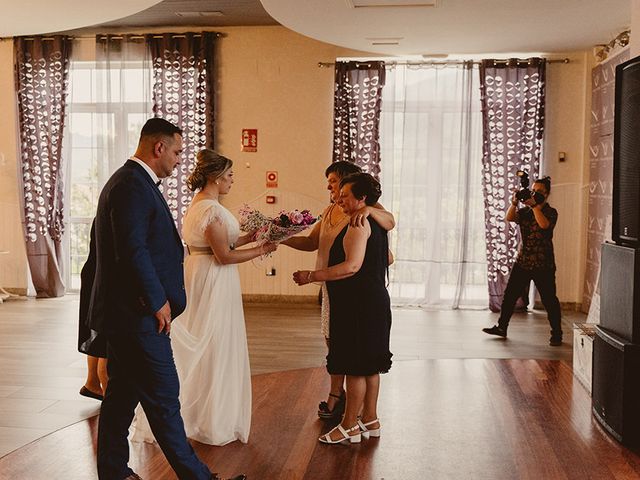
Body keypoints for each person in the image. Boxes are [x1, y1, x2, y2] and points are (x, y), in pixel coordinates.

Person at [87, 118, 245, 480]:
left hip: (129, 315)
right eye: (175, 151)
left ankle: (112, 471)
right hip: (138, 316)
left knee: (121, 398)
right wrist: (158, 300)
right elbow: (132, 250)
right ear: (159, 148)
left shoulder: (134, 181)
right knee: (164, 398)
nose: (178, 159)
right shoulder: (131, 185)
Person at [131, 149, 277, 446]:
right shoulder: (209, 209)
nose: (233, 180)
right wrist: (263, 250)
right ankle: (207, 418)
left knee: (210, 339)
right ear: (215, 176)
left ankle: (204, 411)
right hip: (213, 277)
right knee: (213, 342)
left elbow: (225, 241)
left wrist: (260, 234)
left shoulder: (201, 205)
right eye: (230, 175)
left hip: (202, 271)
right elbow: (224, 255)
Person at [282, 161, 395, 420]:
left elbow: (389, 225)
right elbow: (312, 242)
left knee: (350, 350)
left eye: (333, 181)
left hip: (350, 288)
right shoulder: (332, 209)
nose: (329, 186)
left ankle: (348, 408)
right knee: (334, 342)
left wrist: (368, 210)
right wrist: (280, 237)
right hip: (330, 285)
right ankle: (352, 405)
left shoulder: (364, 212)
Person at [482, 176, 563, 346]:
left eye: (539, 191)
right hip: (523, 261)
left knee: (549, 300)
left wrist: (534, 206)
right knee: (510, 295)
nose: (535, 193)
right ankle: (501, 327)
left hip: (543, 264)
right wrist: (514, 203)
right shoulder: (525, 211)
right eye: (533, 190)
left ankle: (557, 333)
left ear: (547, 194)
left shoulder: (551, 212)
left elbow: (544, 225)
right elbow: (510, 218)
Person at [78, 220, 107, 401]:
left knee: (98, 332)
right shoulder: (121, 205)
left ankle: (93, 382)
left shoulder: (105, 207)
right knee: (107, 341)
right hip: (102, 275)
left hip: (93, 270)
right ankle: (110, 395)